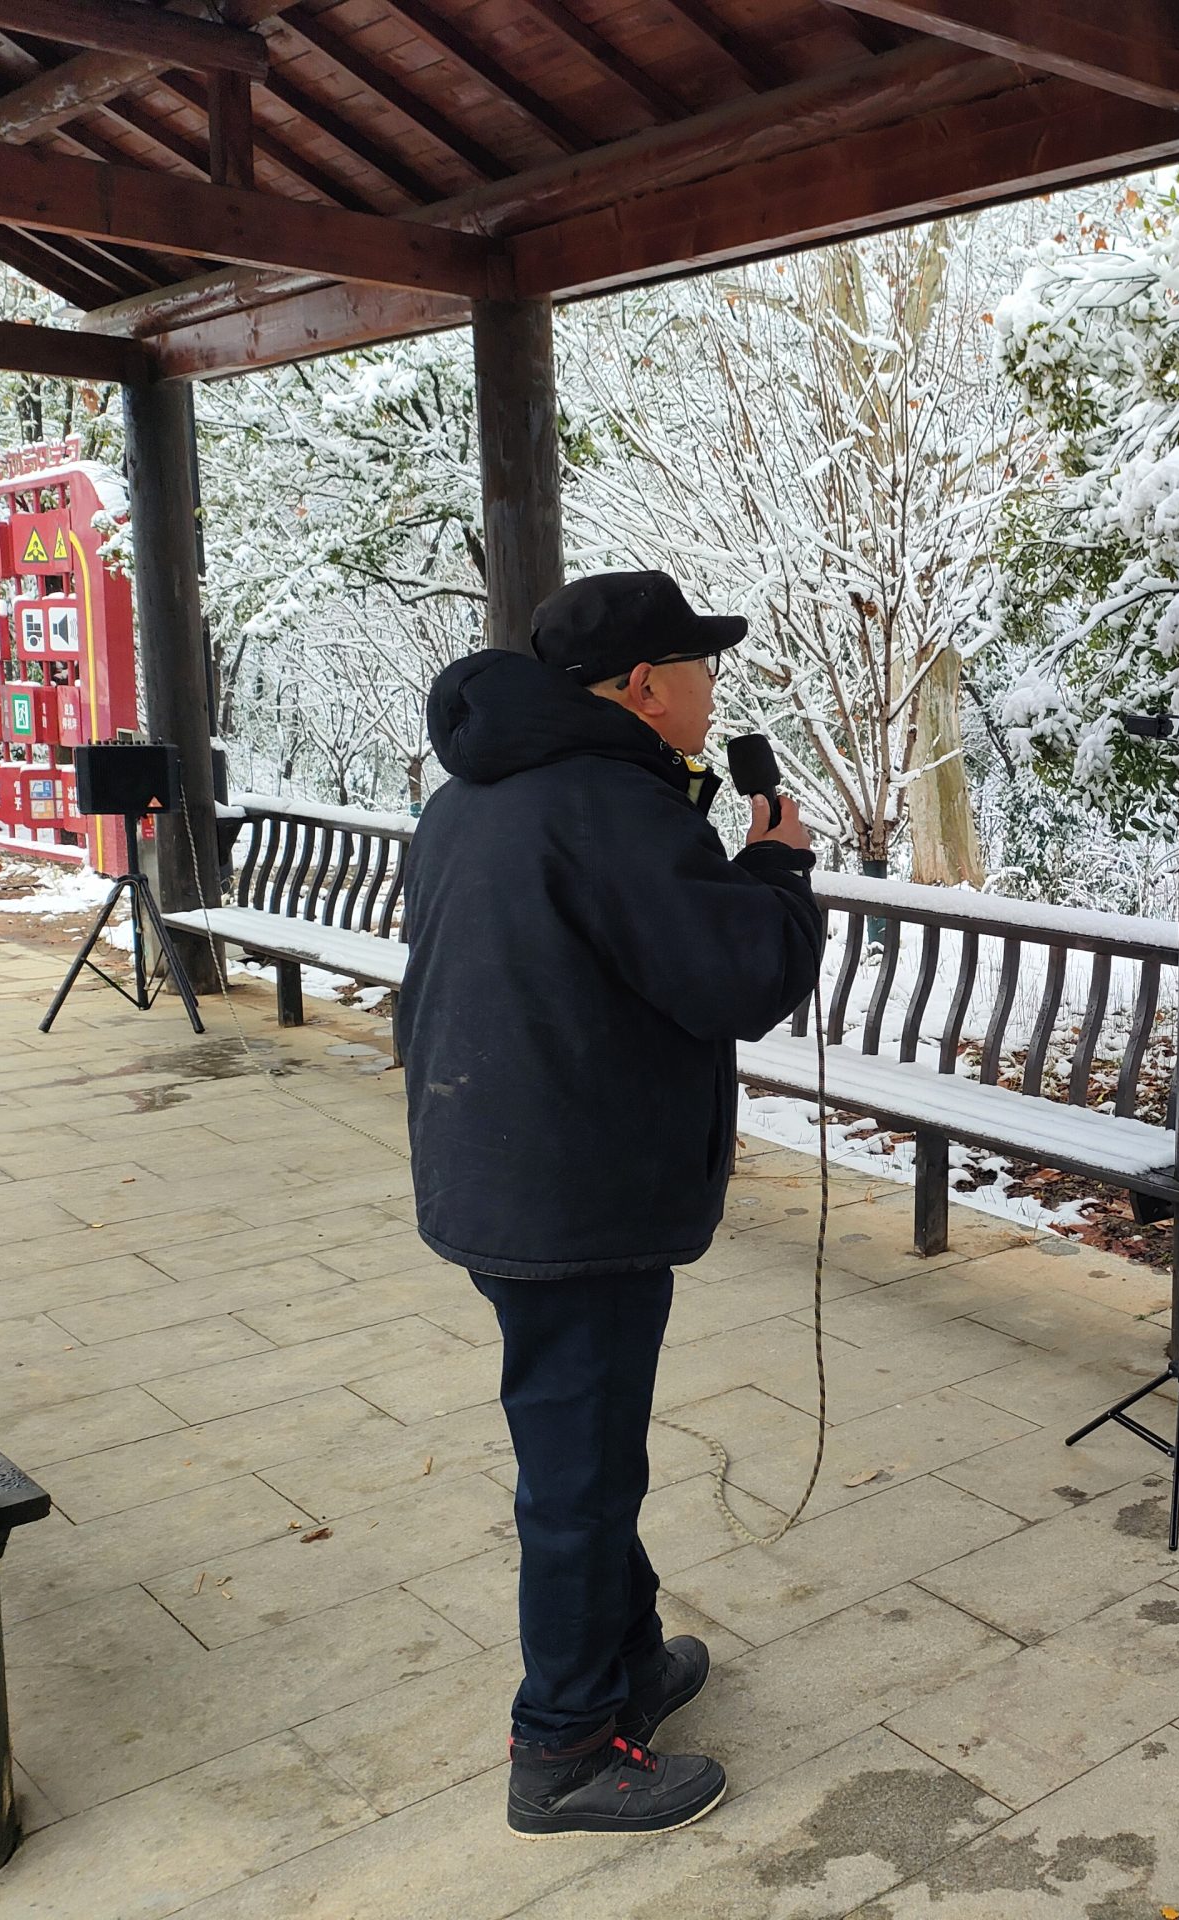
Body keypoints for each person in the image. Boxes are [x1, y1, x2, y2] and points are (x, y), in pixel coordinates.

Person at [396, 570, 823, 1839]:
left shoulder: (479, 790)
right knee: (577, 1473)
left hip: (500, 1163)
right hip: (572, 1193)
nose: (709, 692)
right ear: (641, 686)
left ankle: (626, 1665)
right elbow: (734, 977)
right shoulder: (606, 806)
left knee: (586, 1448)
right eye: (696, 670)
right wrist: (778, 873)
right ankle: (566, 1744)